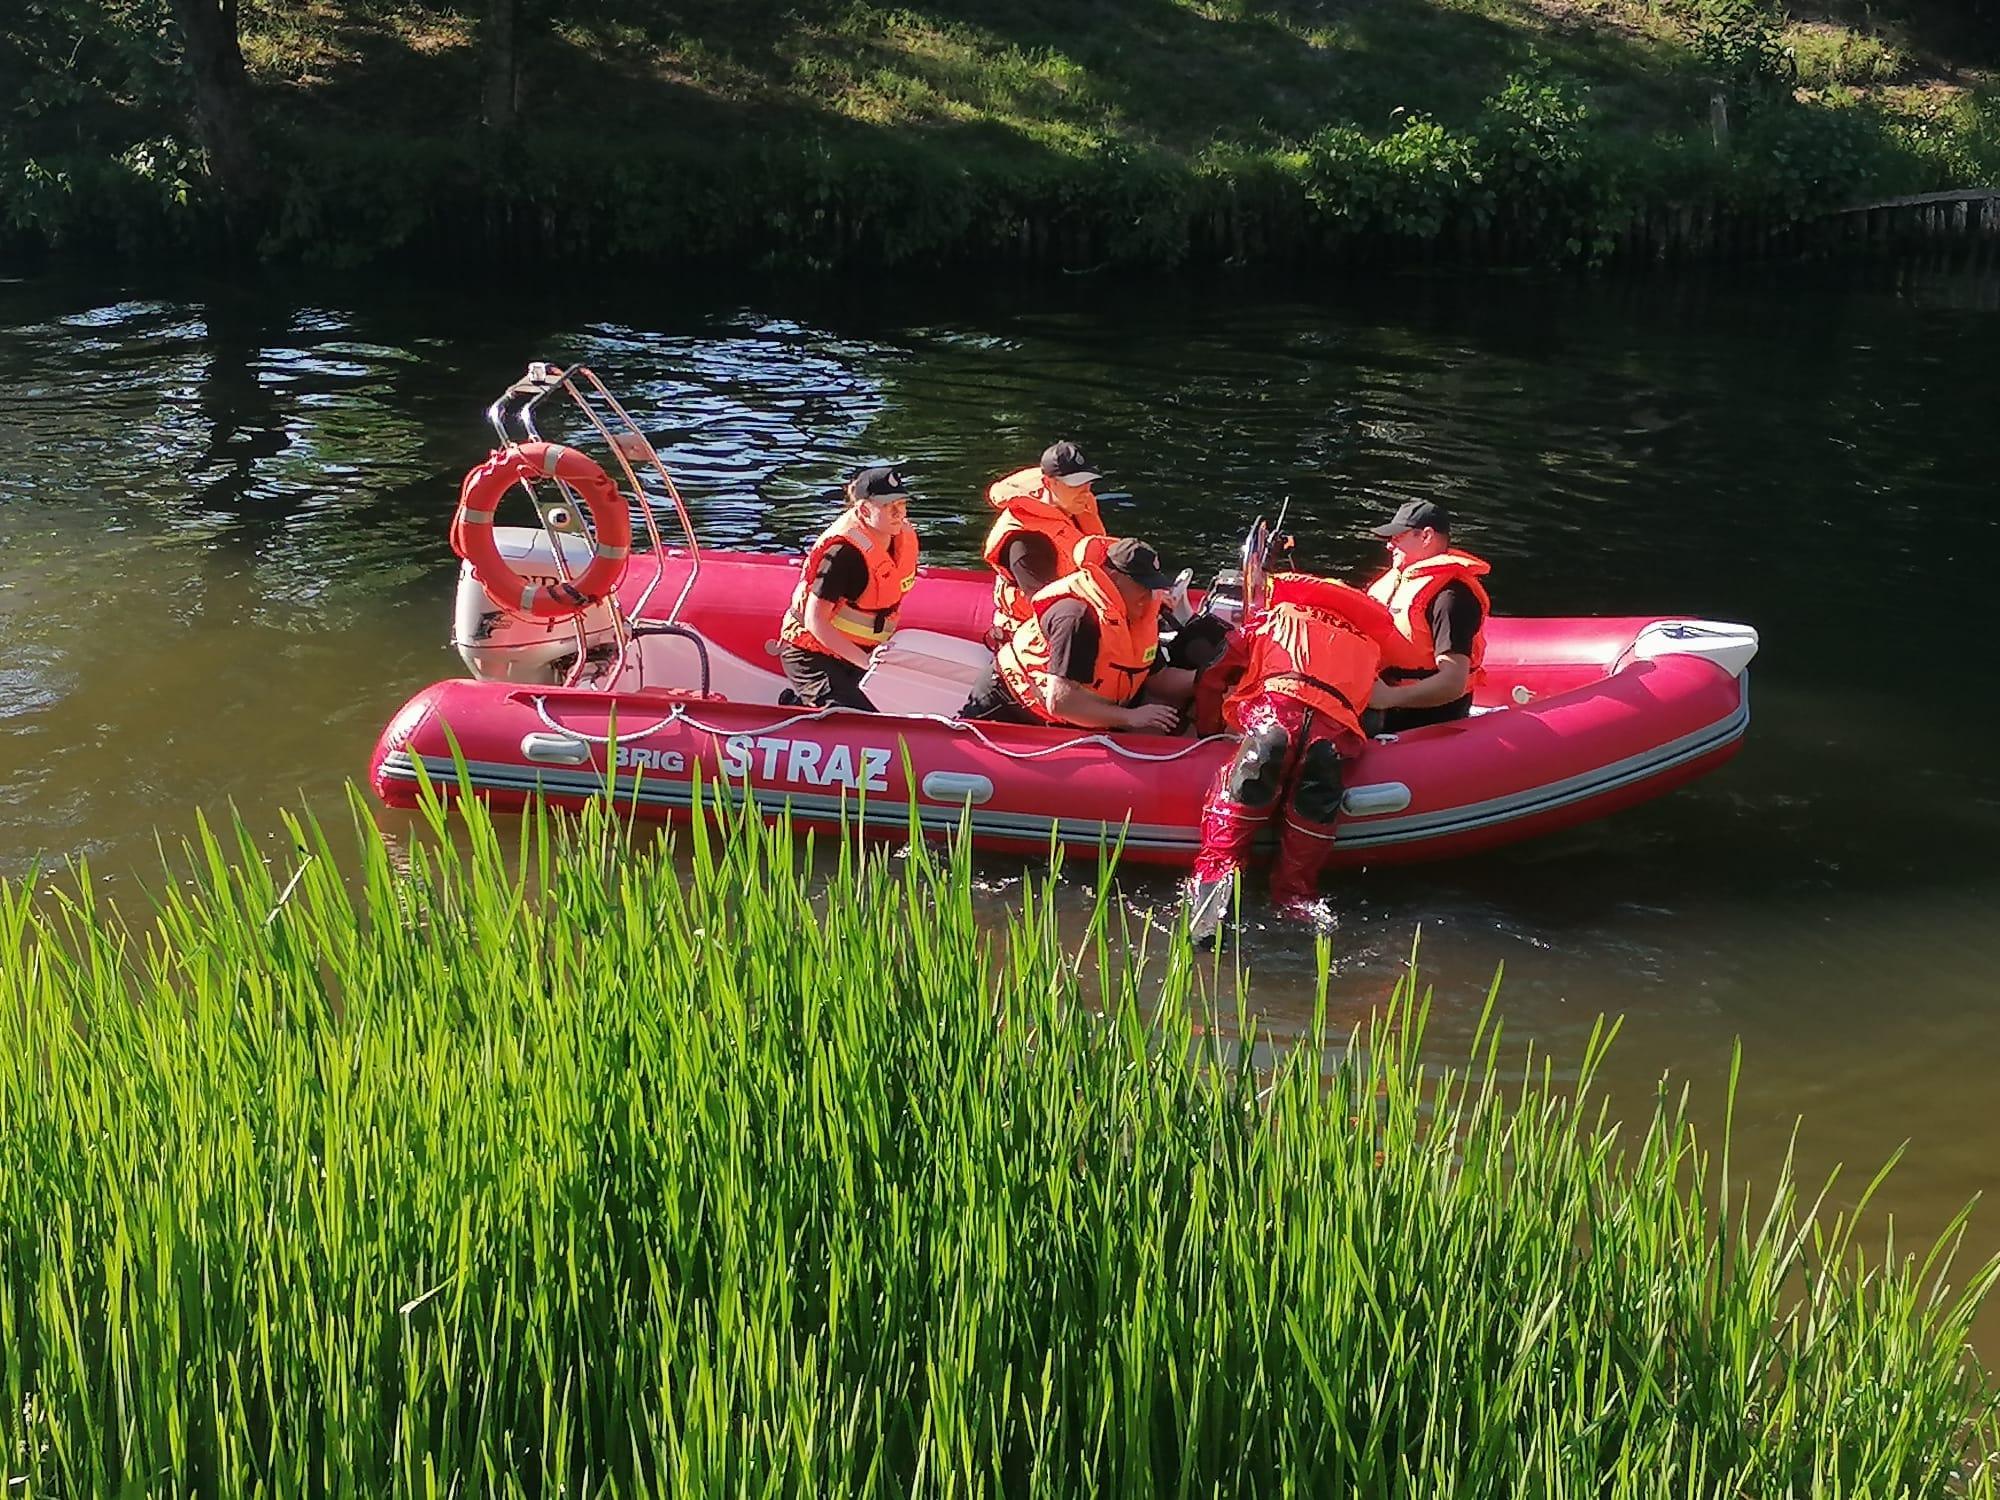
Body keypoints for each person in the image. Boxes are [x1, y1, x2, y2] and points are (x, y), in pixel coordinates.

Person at [1183, 574, 1384, 942]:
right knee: (1313, 817)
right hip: (1329, 739)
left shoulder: (1273, 619)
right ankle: (1296, 905)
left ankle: (1212, 893)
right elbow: (1370, 712)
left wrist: (1207, 730)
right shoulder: (1367, 646)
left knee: (1236, 803)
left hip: (1273, 723)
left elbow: (1214, 673)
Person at [958, 535, 1184, 733]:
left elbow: (1159, 679)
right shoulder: (1076, 617)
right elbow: (1062, 703)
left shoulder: (1137, 616)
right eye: (1142, 585)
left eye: (1153, 586)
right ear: (1114, 577)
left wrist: (1209, 677)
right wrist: (1130, 718)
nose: (1148, 595)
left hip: (1081, 712)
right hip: (1010, 706)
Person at [776, 465, 920, 711]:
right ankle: (803, 706)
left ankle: (799, 702)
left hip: (857, 652)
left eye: (901, 504)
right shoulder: (844, 554)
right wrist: (866, 664)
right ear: (864, 509)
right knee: (856, 717)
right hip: (812, 654)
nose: (898, 513)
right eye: (888, 506)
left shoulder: (900, 539)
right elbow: (815, 620)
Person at [1362, 499, 1491, 733]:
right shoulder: (1395, 580)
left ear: (1426, 536)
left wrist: (1389, 697)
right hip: (1381, 700)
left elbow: (1452, 682)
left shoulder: (1451, 597)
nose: (1389, 546)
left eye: (1397, 538)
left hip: (1425, 716)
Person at [980, 440, 1108, 643]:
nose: (1086, 491)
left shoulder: (1076, 506)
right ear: (1049, 483)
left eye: (1088, 482)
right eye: (1076, 484)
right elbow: (1050, 611)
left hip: (1082, 609)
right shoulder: (1025, 541)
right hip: (1033, 636)